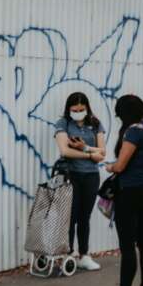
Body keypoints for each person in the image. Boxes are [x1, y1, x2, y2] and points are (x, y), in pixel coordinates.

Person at [102, 95, 143, 286]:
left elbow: (122, 165)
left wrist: (110, 167)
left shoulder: (133, 131)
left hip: (128, 192)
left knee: (127, 246)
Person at [54, 92, 107, 271]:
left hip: (91, 176)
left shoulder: (95, 124)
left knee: (85, 216)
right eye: (74, 109)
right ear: (69, 109)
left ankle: (84, 254)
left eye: (81, 109)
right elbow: (64, 151)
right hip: (72, 175)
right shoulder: (63, 123)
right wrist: (90, 154)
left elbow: (103, 154)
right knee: (71, 216)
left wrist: (84, 147)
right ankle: (67, 255)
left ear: (87, 108)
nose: (78, 112)